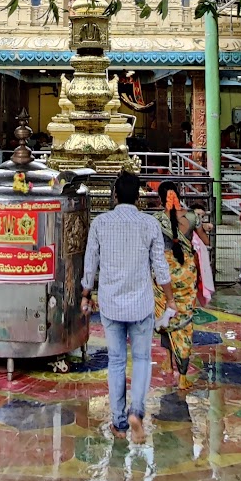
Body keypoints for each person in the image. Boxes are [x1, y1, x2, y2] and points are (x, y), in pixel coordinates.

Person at [82, 171, 170, 442]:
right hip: (141, 303)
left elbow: (90, 264)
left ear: (115, 195)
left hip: (111, 303)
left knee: (116, 361)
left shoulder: (101, 223)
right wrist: (171, 298)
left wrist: (86, 293)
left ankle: (119, 423)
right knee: (142, 359)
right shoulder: (149, 224)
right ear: (139, 197)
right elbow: (160, 267)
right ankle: (137, 412)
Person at [155, 182, 202, 393]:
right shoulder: (192, 217)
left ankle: (168, 361)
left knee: (166, 314)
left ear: (160, 198)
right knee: (184, 321)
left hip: (163, 274)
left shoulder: (156, 221)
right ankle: (182, 376)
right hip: (186, 273)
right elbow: (205, 240)